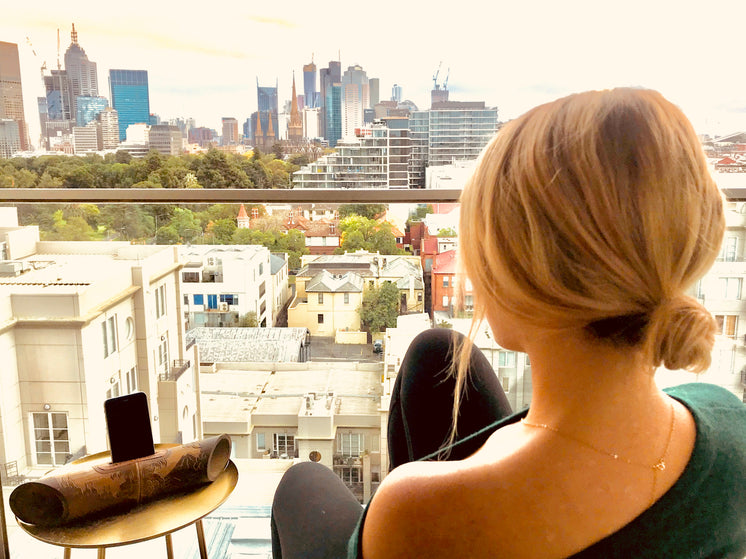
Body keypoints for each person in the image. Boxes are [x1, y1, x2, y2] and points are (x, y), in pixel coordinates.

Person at [271, 88, 746, 558]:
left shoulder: (412, 513)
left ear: (527, 273)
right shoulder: (726, 421)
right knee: (438, 354)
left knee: (301, 484)